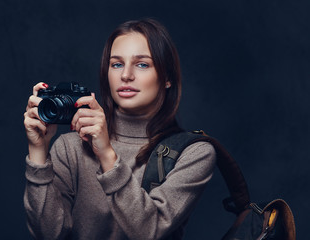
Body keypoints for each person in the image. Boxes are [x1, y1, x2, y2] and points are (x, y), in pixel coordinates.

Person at [23, 18, 216, 240]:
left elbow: (149, 231)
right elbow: (48, 234)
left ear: (167, 78)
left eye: (142, 64)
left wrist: (106, 154)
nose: (126, 75)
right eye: (116, 64)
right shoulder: (71, 146)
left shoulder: (193, 153)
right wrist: (38, 153)